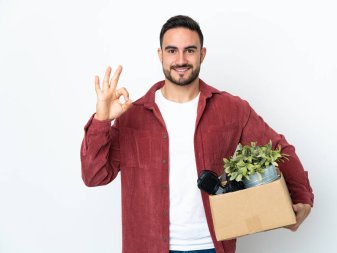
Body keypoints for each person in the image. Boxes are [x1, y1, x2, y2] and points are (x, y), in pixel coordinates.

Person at [80, 15, 314, 253]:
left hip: (211, 245)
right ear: (160, 55)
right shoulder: (132, 115)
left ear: (202, 54)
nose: (180, 60)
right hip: (147, 245)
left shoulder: (231, 108)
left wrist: (301, 196)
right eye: (172, 51)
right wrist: (101, 121)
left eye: (189, 50)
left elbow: (278, 148)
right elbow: (95, 176)